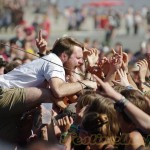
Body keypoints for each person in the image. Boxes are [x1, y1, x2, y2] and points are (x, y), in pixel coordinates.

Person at [0, 31, 97, 108]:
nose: (81, 62)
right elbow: (58, 91)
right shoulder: (54, 61)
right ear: (64, 56)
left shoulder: (52, 61)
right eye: (78, 58)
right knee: (46, 93)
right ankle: (47, 124)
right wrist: (85, 83)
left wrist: (90, 69)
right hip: (3, 93)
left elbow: (81, 95)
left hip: (7, 99)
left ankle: (45, 127)